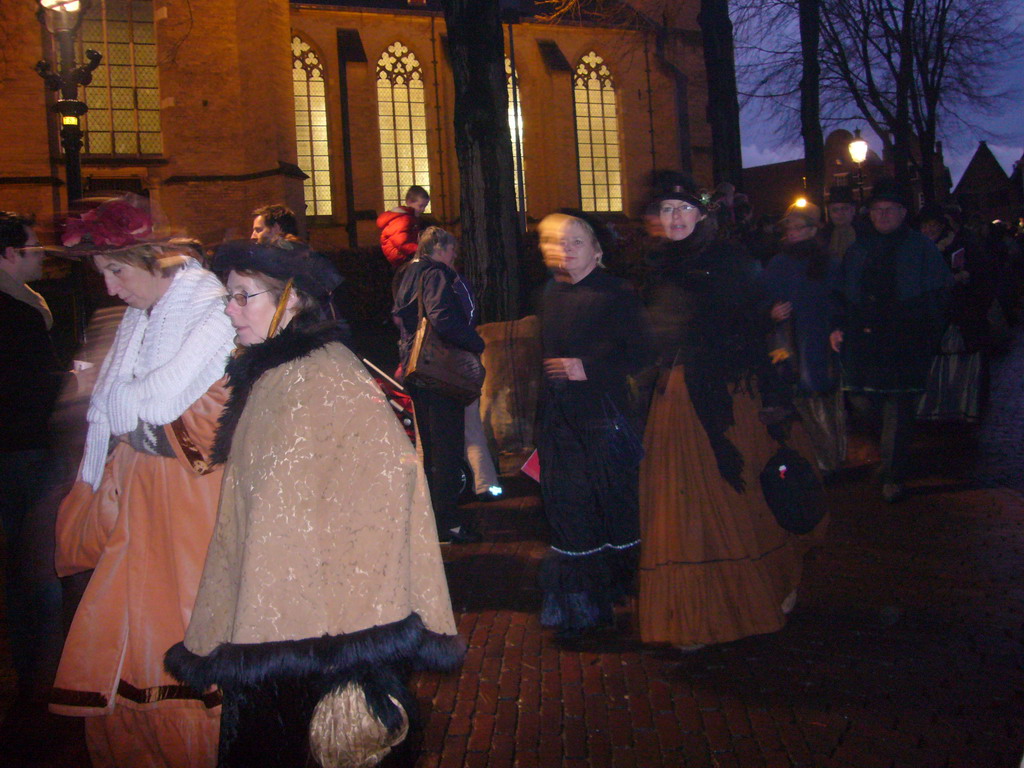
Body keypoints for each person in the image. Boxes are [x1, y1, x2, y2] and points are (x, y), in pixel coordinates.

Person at [165, 240, 462, 768]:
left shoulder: (322, 380)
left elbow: (382, 495)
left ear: (292, 301)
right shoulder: (278, 377)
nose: (230, 311)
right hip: (285, 635)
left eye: (242, 297)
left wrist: (355, 661)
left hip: (321, 652)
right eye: (226, 298)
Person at [49, 195, 236, 768]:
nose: (109, 288)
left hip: (187, 510)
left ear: (155, 258)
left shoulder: (212, 313)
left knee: (175, 631)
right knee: (128, 630)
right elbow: (127, 412)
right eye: (103, 273)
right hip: (141, 504)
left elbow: (197, 419)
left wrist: (133, 426)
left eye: (116, 271)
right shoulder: (143, 317)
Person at [639, 174, 823, 649]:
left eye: (683, 209)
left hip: (729, 393)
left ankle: (771, 585)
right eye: (666, 210)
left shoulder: (730, 259)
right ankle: (696, 612)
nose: (674, 217)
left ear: (702, 215)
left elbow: (757, 322)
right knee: (684, 507)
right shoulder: (655, 265)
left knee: (739, 498)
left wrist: (769, 375)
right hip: (676, 395)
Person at [534, 211, 651, 639]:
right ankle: (581, 609)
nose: (563, 249)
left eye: (575, 241)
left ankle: (622, 595)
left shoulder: (617, 293)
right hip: (559, 424)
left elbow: (642, 352)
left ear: (597, 251)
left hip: (604, 420)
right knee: (568, 509)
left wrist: (591, 367)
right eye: (554, 241)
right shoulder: (549, 293)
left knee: (613, 507)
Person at [830, 179, 952, 502]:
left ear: (901, 212)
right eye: (877, 210)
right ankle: (890, 454)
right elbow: (842, 294)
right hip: (864, 341)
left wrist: (924, 332)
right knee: (861, 400)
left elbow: (940, 294)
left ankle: (893, 474)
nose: (882, 216)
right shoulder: (859, 249)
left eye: (889, 210)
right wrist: (839, 326)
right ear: (869, 214)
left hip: (903, 341)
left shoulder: (920, 247)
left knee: (898, 406)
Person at [0, 212, 64, 705]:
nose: (42, 254)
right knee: (37, 565)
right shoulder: (18, 313)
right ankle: (41, 679)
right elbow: (33, 388)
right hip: (22, 450)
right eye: (33, 247)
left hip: (17, 448)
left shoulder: (26, 307)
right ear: (9, 255)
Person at [392, 226, 484, 544]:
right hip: (439, 370)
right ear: (440, 248)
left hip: (416, 368)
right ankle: (447, 523)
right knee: (446, 449)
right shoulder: (435, 274)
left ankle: (432, 519)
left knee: (431, 448)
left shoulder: (406, 274)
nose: (454, 257)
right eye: (452, 251)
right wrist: (475, 342)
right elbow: (443, 318)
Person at [761, 201, 847, 475]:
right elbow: (760, 299)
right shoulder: (777, 263)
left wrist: (837, 327)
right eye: (790, 227)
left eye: (800, 227)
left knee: (819, 394)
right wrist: (770, 312)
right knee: (789, 396)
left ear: (813, 230)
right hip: (785, 342)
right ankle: (798, 463)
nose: (793, 232)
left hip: (818, 341)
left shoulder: (829, 263)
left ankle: (828, 459)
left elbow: (839, 301)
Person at [916, 203, 995, 422]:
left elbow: (980, 277)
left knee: (964, 364)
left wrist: (962, 281)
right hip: (933, 317)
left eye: (933, 226)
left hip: (961, 315)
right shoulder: (917, 248)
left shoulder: (961, 244)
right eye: (925, 226)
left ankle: (963, 406)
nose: (929, 230)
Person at [377, 185, 430, 268]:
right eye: (420, 206)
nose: (423, 209)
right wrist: (422, 250)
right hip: (401, 258)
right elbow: (402, 243)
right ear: (409, 202)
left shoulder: (410, 218)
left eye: (425, 206)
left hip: (404, 257)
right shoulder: (402, 219)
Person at [822, 185, 859, 262]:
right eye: (835, 210)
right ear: (830, 212)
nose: (840, 213)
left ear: (853, 210)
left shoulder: (865, 233)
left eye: (844, 208)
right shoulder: (822, 236)